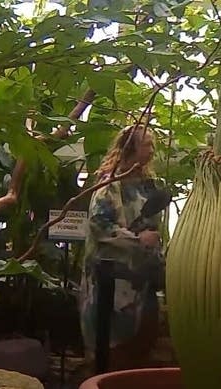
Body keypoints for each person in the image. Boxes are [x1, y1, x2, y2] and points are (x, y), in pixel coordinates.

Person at [78, 124, 166, 371]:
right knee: (112, 354)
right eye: (147, 144)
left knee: (141, 351)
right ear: (130, 149)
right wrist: (137, 240)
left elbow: (155, 227)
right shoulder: (109, 183)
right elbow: (99, 225)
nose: (152, 149)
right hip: (111, 283)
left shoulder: (148, 184)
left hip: (142, 281)